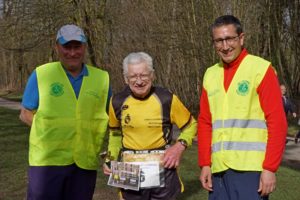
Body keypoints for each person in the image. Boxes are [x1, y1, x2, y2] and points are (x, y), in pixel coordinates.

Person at [197, 15, 287, 200]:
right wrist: (205, 163)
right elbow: (205, 122)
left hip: (251, 171)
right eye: (219, 41)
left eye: (230, 38)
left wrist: (270, 168)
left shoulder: (261, 70)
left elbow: (277, 122)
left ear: (241, 38)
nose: (225, 46)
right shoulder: (210, 74)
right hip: (218, 170)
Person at [19, 24, 111, 200]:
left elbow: (113, 118)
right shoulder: (42, 74)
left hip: (84, 161)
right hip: (46, 162)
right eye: (67, 47)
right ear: (57, 47)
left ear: (84, 47)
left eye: (77, 47)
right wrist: (46, 132)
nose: (72, 52)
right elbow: (25, 113)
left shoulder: (102, 78)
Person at [102, 52, 197, 200]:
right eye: (133, 76)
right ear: (125, 79)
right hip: (128, 170)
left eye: (144, 75)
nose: (139, 81)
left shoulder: (167, 98)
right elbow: (115, 135)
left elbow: (191, 125)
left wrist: (178, 147)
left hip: (162, 169)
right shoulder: (116, 101)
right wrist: (110, 158)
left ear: (152, 75)